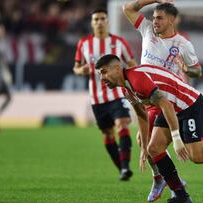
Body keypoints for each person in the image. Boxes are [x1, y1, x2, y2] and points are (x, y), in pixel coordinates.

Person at [95, 54, 203, 203]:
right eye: (99, 74)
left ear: (117, 68)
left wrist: (177, 139)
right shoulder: (127, 90)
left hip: (189, 105)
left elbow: (165, 104)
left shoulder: (137, 78)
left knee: (197, 157)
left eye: (104, 71)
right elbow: (142, 115)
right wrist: (144, 147)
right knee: (154, 148)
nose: (101, 77)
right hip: (171, 108)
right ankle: (181, 196)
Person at [123, 1, 201, 201]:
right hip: (145, 94)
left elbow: (198, 71)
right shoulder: (147, 29)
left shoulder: (183, 44)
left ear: (172, 20)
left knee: (151, 144)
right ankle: (165, 180)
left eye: (159, 18)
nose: (154, 21)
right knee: (144, 141)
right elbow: (127, 8)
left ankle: (165, 181)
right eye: (154, 17)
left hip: (164, 96)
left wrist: (186, 69)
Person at [73, 9, 137, 181]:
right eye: (96, 19)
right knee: (108, 134)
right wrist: (82, 70)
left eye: (102, 19)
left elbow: (131, 63)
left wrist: (133, 79)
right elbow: (76, 67)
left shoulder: (119, 42)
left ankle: (125, 167)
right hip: (97, 99)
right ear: (92, 23)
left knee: (123, 125)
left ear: (107, 21)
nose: (99, 22)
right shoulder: (84, 43)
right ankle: (122, 169)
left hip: (116, 94)